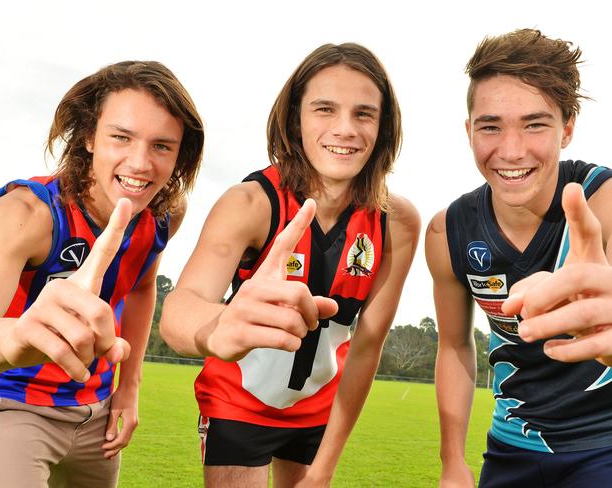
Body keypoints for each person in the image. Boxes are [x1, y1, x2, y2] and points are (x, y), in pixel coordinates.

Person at [160, 43, 420, 487]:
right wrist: (220, 325)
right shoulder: (249, 203)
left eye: (363, 114)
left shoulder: (396, 221)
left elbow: (366, 348)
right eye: (324, 109)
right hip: (238, 404)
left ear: (383, 127)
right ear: (295, 117)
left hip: (319, 412)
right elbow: (180, 309)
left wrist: (325, 467)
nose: (345, 129)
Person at [0, 61, 204, 487]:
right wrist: (15, 336)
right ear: (89, 137)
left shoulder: (164, 214)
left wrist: (128, 390)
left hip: (96, 409)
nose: (141, 162)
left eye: (162, 146)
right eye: (121, 137)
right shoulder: (27, 213)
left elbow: (142, 286)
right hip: (11, 400)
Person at [426, 28, 612, 487]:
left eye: (535, 124)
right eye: (490, 126)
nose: (511, 150)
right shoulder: (446, 231)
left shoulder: (605, 203)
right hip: (509, 448)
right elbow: (453, 346)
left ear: (567, 128)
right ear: (468, 131)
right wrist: (453, 461)